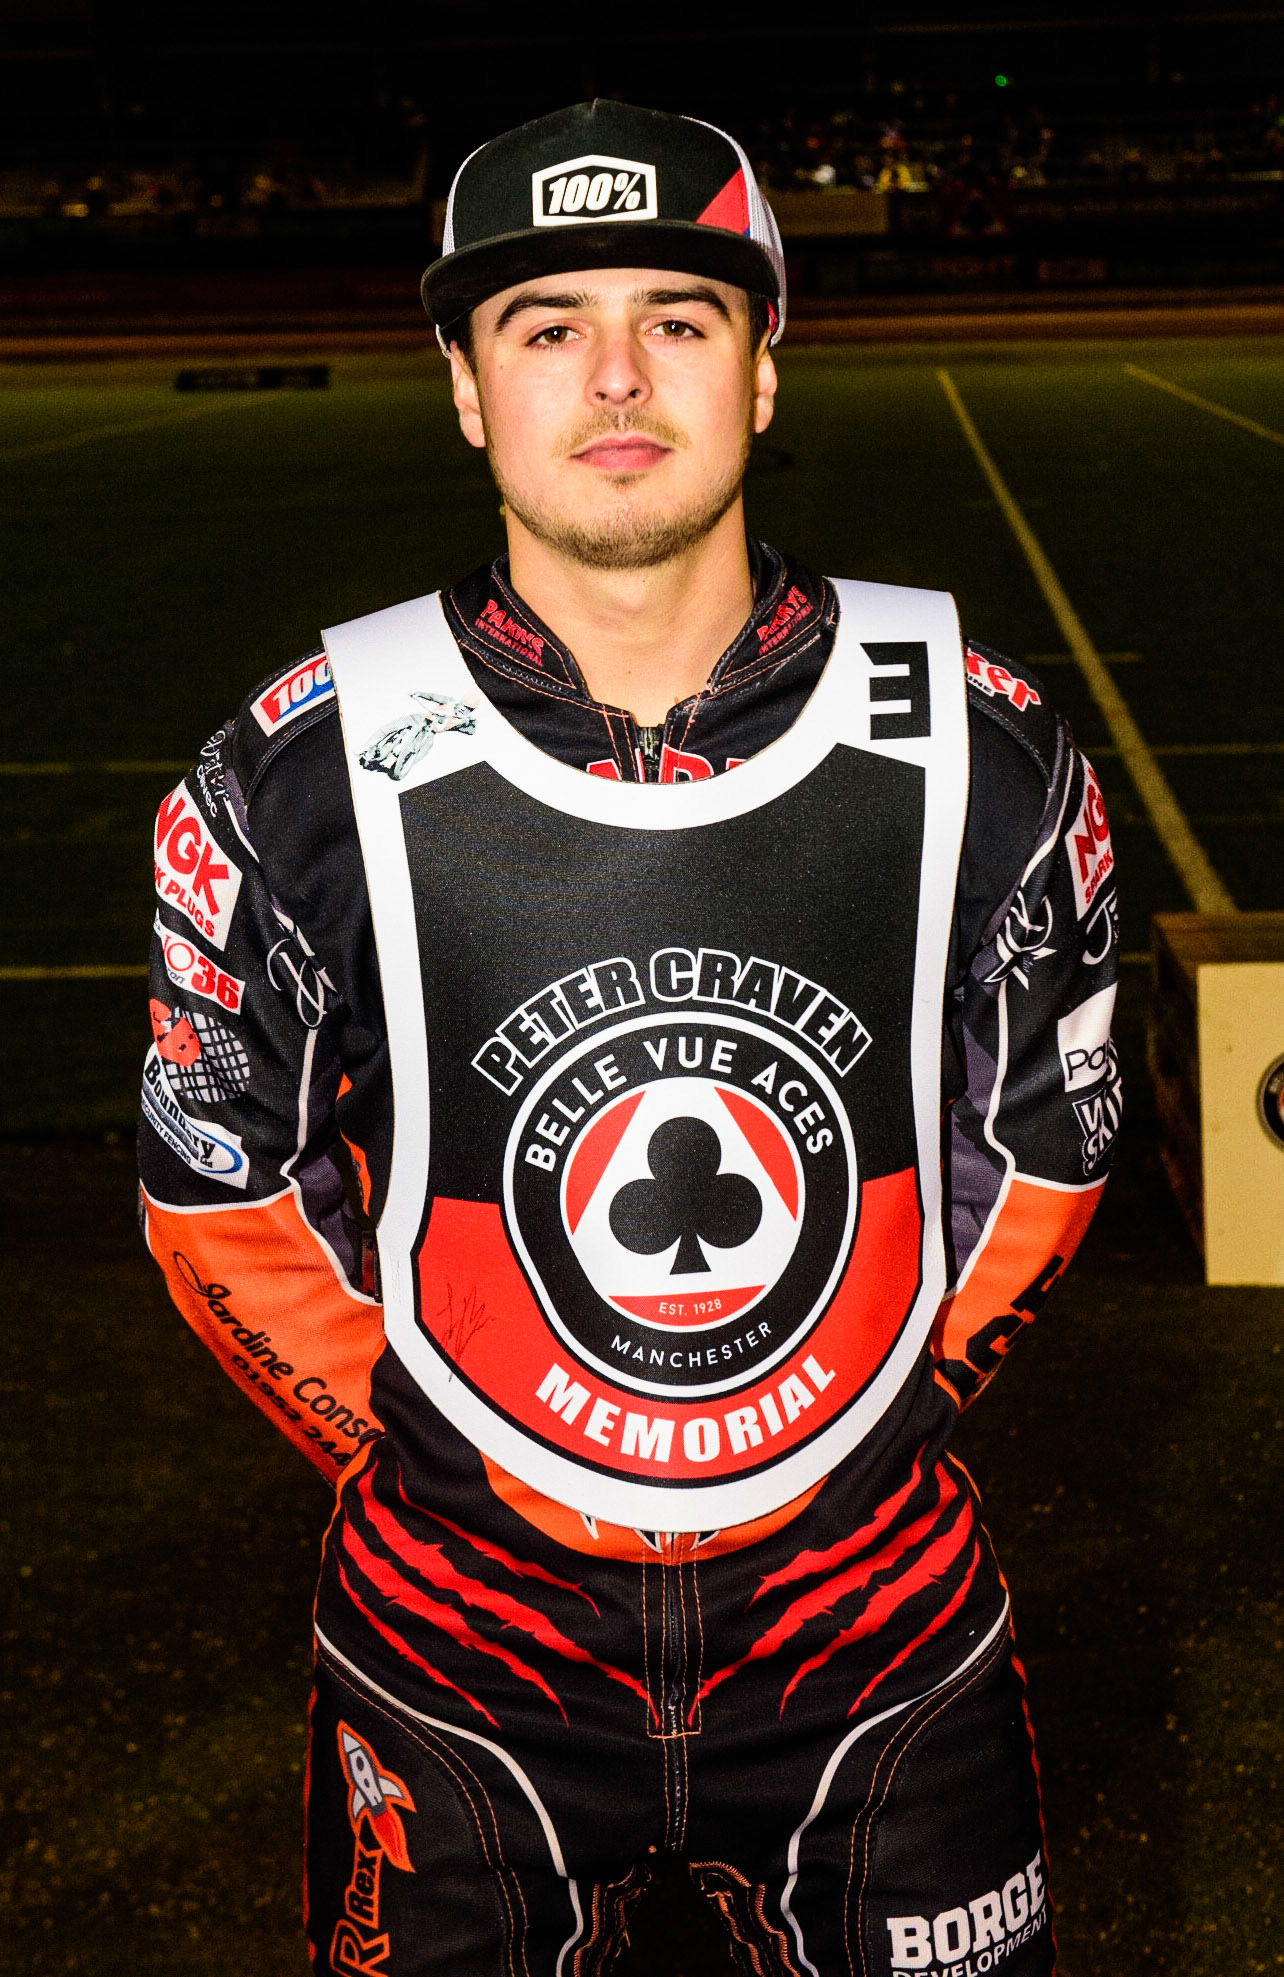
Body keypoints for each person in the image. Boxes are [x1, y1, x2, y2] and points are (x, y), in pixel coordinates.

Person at [138, 99, 1120, 1977]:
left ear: (763, 369)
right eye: (542, 325)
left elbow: (1049, 1152)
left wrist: (844, 1425)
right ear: (459, 386)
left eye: (678, 316)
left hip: (878, 1629)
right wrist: (454, 1453)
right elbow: (218, 1197)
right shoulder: (299, 761)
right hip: (453, 1644)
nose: (612, 375)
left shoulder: (985, 744)